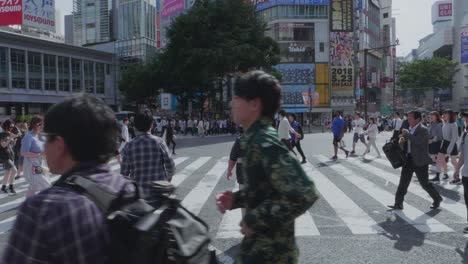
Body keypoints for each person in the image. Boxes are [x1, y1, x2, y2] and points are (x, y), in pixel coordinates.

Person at [1, 94, 135, 263]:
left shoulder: (43, 210)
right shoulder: (129, 189)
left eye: (46, 137)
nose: (44, 144)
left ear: (59, 144)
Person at [216, 71, 318, 263]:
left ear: (254, 104)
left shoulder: (265, 142)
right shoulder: (253, 139)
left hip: (272, 255)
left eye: (237, 98)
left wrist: (254, 219)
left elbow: (304, 193)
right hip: (259, 251)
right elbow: (267, 191)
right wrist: (236, 199)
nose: (232, 103)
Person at [388, 110, 443, 211]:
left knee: (424, 183)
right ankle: (398, 204)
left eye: (410, 119)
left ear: (417, 119)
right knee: (403, 183)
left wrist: (407, 135)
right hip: (408, 159)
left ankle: (437, 198)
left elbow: (418, 141)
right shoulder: (410, 128)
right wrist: (402, 140)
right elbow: (408, 143)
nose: (408, 120)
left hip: (420, 160)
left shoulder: (423, 129)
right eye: (407, 118)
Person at [121, 113, 175, 198]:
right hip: (159, 191)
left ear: (135, 127)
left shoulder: (129, 146)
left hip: (139, 194)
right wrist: (168, 178)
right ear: (152, 125)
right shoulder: (159, 142)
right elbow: (170, 165)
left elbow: (124, 173)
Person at [21, 116, 51, 197]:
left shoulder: (41, 135)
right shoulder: (29, 136)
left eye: (43, 124)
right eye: (39, 124)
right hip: (33, 165)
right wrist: (39, 154)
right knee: (46, 185)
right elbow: (23, 152)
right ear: (33, 124)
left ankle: (27, 205)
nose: (42, 126)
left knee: (34, 187)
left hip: (41, 163)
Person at [433, 109, 460, 183]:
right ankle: (438, 176)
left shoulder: (453, 124)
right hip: (444, 143)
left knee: (454, 162)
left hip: (451, 144)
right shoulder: (444, 123)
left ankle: (457, 177)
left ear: (450, 115)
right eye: (444, 113)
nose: (444, 115)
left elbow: (454, 138)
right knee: (439, 160)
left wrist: (449, 149)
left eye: (446, 114)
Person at [453, 112, 468, 233]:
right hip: (466, 173)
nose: (465, 121)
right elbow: (463, 154)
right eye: (465, 120)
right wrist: (457, 169)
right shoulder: (465, 134)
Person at [428, 111, 443, 181]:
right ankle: (439, 173)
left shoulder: (439, 124)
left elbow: (440, 136)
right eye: (430, 116)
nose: (430, 117)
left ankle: (437, 176)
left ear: (437, 117)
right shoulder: (430, 124)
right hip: (430, 143)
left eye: (432, 116)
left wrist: (432, 140)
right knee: (434, 159)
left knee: (436, 160)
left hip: (436, 143)